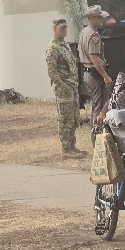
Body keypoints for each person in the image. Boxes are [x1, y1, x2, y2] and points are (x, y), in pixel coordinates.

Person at [46, 17, 85, 158]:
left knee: (74, 118)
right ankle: (66, 149)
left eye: (65, 28)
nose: (64, 30)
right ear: (55, 30)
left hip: (72, 87)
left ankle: (72, 146)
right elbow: (52, 72)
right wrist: (63, 87)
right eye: (61, 28)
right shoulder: (53, 48)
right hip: (64, 89)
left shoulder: (65, 45)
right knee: (65, 119)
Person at [78, 5, 113, 143]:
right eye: (99, 17)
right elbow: (95, 58)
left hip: (88, 73)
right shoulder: (93, 35)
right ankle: (97, 140)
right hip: (95, 74)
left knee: (96, 106)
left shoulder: (84, 32)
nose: (101, 20)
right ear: (92, 18)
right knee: (99, 108)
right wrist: (105, 76)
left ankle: (97, 138)